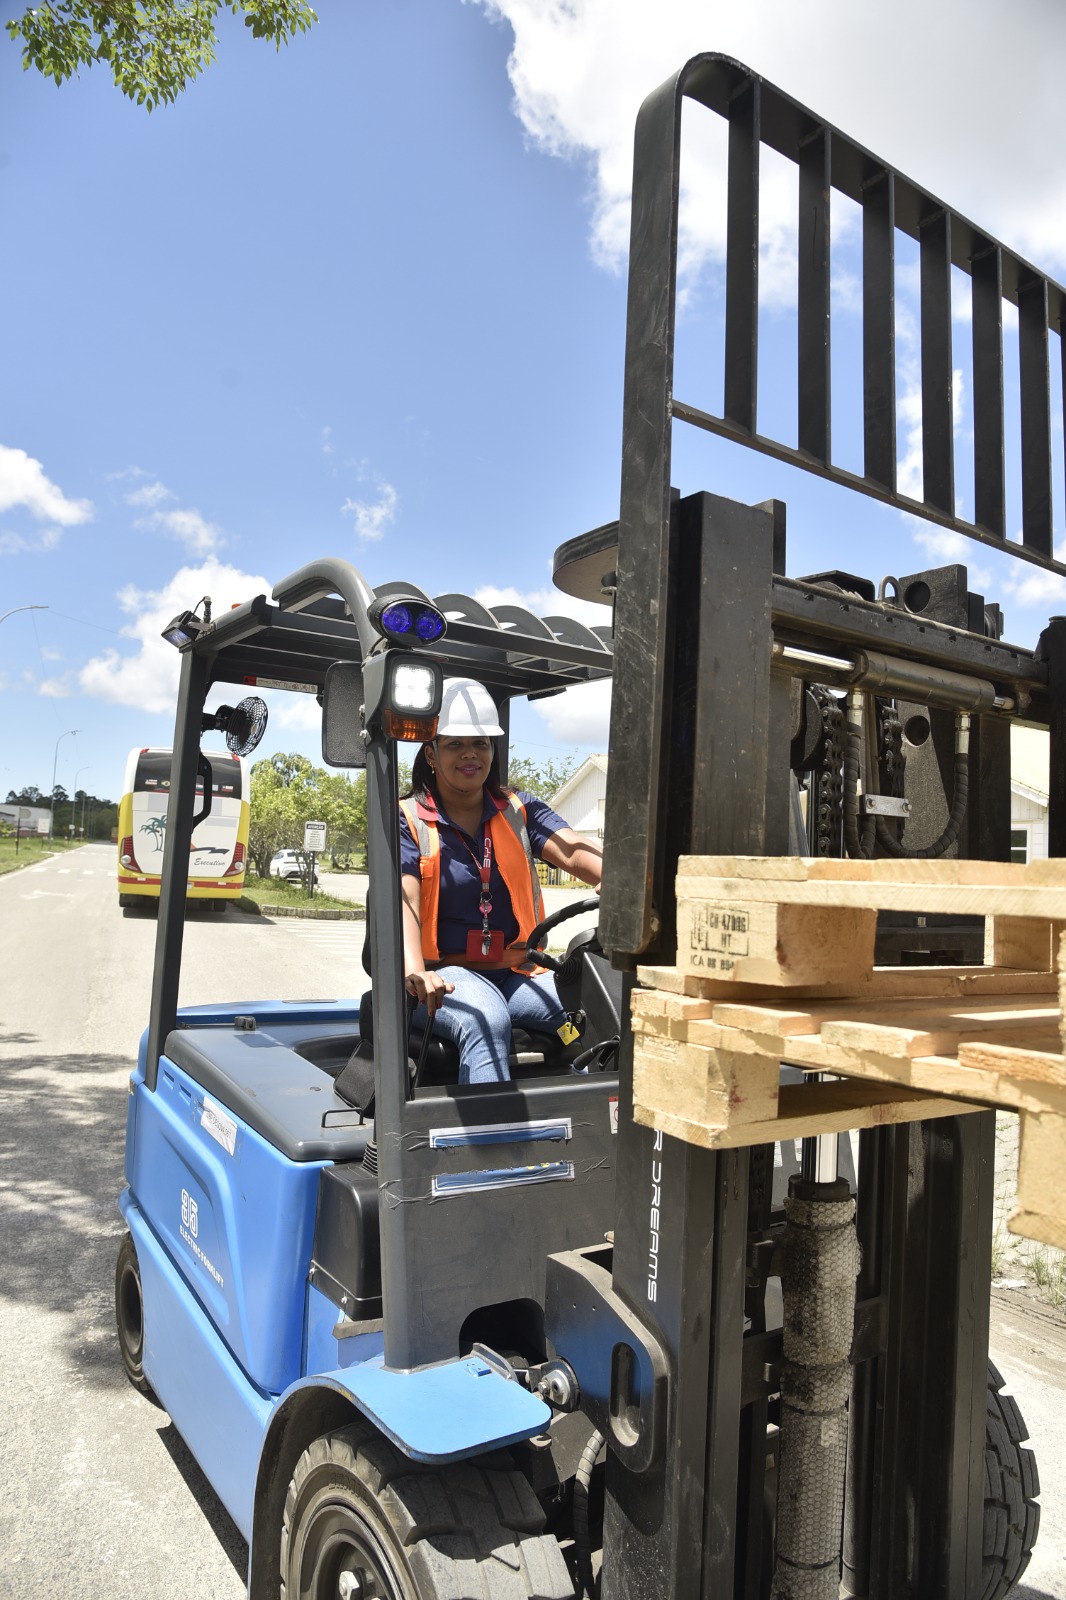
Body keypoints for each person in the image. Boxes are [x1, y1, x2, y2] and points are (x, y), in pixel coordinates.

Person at [400, 677, 603, 1085]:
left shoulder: (518, 809)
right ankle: (493, 1145)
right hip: (443, 975)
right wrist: (414, 971)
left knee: (596, 1010)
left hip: (516, 972)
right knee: (485, 1016)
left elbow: (572, 850)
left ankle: (582, 1138)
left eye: (481, 743)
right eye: (455, 744)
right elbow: (402, 900)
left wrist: (621, 879)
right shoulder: (408, 819)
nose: (470, 754)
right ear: (432, 754)